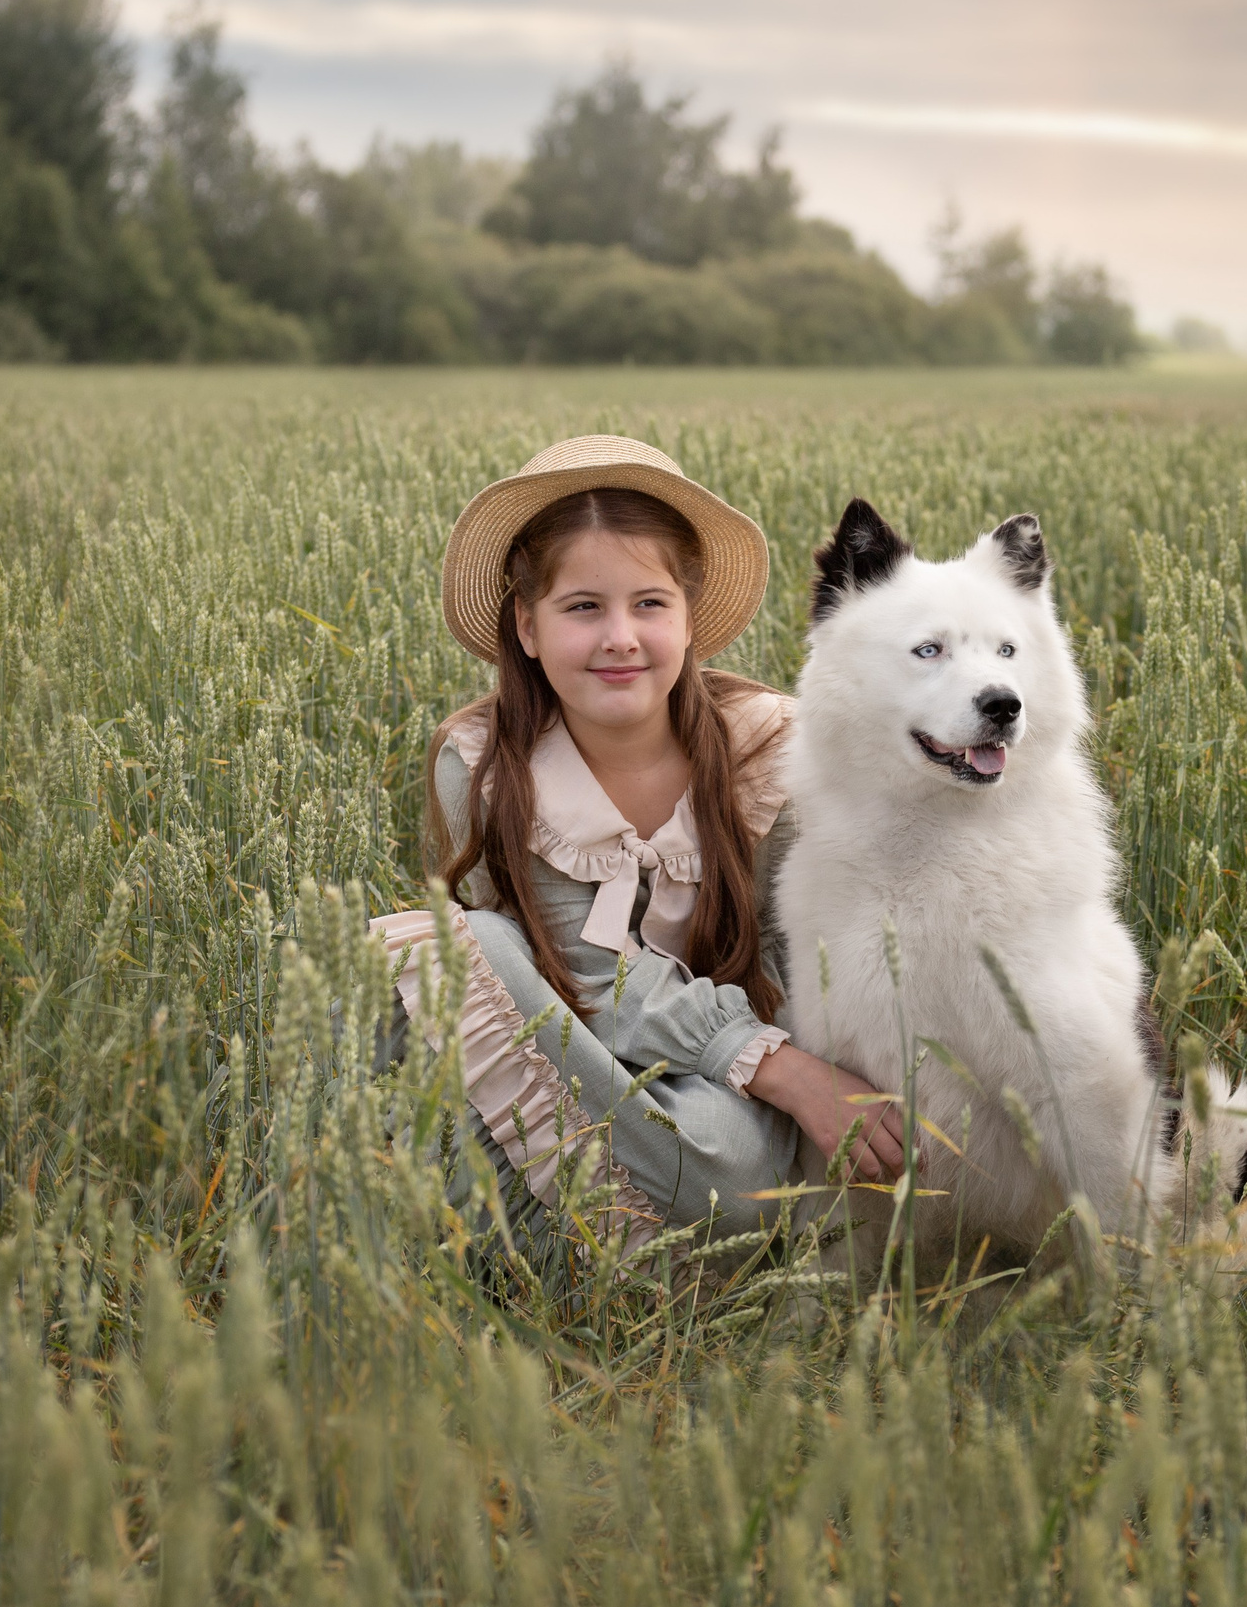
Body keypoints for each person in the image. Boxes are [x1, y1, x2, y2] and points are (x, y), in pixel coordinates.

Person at [372, 435, 907, 1259]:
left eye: (650, 603)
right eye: (583, 607)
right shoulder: (485, 764)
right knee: (473, 946)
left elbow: (799, 949)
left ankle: (540, 1223)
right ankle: (595, 1236)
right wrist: (792, 1078)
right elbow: (585, 976)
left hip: (718, 1073)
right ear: (527, 626)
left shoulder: (769, 750)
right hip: (563, 1041)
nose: (620, 636)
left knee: (739, 1165)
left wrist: (795, 1070)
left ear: (689, 619)